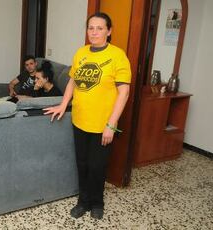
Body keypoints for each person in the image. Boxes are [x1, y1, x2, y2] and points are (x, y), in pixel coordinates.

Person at [44, 12, 131, 219]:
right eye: (91, 27)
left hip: (102, 124)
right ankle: (83, 201)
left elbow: (124, 92)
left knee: (97, 166)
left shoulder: (118, 55)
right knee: (82, 164)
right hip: (80, 120)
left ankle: (97, 201)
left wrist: (111, 124)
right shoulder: (81, 53)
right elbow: (72, 82)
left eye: (99, 28)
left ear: (109, 31)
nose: (94, 32)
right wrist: (63, 105)